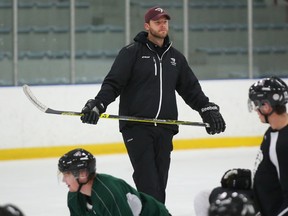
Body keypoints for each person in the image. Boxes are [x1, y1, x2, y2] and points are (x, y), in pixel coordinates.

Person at [80, 6, 226, 203]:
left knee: (159, 184)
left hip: (165, 128)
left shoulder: (176, 58)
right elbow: (113, 84)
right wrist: (98, 105)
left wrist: (207, 110)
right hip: (137, 127)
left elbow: (191, 90)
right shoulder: (131, 53)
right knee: (148, 182)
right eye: (158, 22)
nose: (162, 25)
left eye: (165, 21)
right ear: (147, 26)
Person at [194, 76, 288, 216]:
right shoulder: (272, 131)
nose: (256, 110)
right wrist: (250, 179)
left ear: (266, 106)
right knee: (204, 197)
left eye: (257, 104)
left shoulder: (283, 144)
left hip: (267, 209)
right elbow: (273, 177)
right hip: (259, 198)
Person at [58, 148, 171, 216]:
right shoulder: (74, 197)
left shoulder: (108, 193)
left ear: (82, 174)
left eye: (67, 174)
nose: (63, 180)